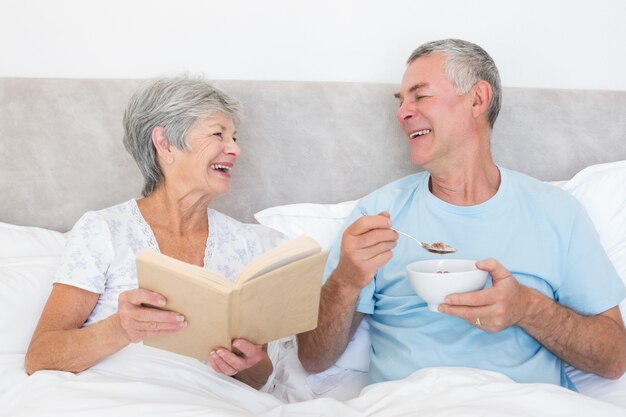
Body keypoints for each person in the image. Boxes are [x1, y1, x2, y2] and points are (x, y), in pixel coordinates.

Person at [297, 39, 626, 390]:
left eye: (420, 96)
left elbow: (614, 359)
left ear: (477, 99)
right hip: (407, 404)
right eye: (401, 100)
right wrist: (346, 280)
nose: (402, 112)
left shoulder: (557, 212)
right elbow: (314, 359)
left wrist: (529, 308)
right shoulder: (377, 216)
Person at [25, 77, 285, 390]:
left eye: (234, 137)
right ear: (164, 143)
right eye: (219, 134)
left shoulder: (246, 243)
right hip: (111, 396)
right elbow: (39, 356)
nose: (235, 150)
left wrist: (249, 364)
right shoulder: (104, 230)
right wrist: (121, 328)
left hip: (210, 402)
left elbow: (259, 379)